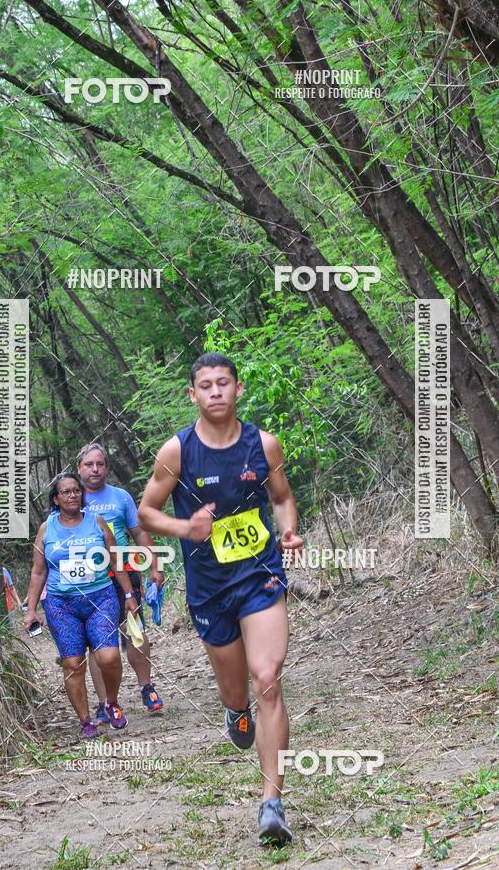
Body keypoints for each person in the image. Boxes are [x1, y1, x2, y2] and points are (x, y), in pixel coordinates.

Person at [138, 352, 303, 846]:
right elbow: (147, 512)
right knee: (238, 694)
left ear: (237, 389)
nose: (215, 392)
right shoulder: (177, 453)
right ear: (193, 395)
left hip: (260, 576)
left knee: (268, 679)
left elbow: (281, 498)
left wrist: (289, 531)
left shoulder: (263, 444)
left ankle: (271, 803)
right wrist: (185, 527)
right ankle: (235, 711)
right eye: (205, 385)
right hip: (210, 588)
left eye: (223, 383)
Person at [24, 472, 138, 738]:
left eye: (76, 490)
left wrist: (130, 595)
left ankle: (111, 703)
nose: (73, 495)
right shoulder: (46, 529)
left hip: (100, 597)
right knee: (73, 662)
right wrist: (31, 610)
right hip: (61, 603)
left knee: (108, 656)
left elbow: (115, 560)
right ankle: (86, 720)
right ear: (56, 498)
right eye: (66, 492)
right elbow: (38, 572)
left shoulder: (96, 522)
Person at [76, 444, 165, 720]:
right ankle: (105, 704)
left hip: (125, 574)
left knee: (135, 631)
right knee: (98, 643)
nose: (95, 469)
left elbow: (138, 533)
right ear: (79, 468)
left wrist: (155, 565)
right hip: (91, 580)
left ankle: (146, 687)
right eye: (89, 464)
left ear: (107, 467)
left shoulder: (121, 497)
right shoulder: (70, 498)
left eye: (100, 464)